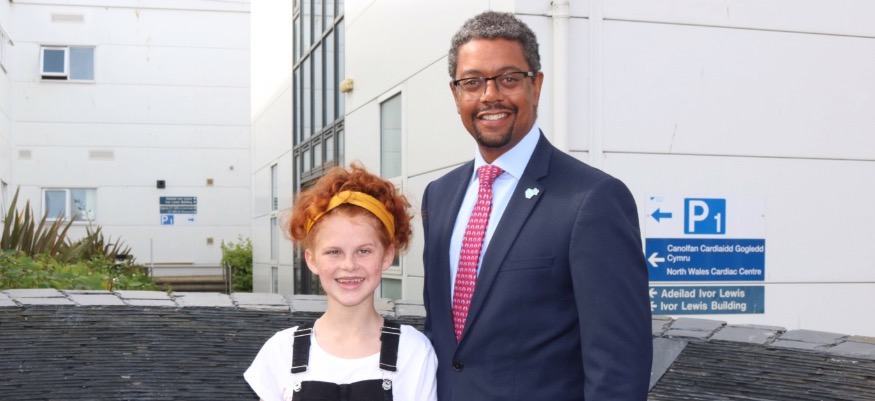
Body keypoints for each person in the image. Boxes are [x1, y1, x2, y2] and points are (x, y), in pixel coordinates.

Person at [421, 11, 652, 400]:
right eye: (472, 82)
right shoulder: (439, 196)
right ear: (456, 94)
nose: (490, 95)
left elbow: (619, 366)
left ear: (537, 85)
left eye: (509, 78)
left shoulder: (592, 199)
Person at [246, 164, 438, 401]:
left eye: (364, 251)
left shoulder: (414, 352)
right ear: (311, 260)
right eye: (334, 252)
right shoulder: (281, 351)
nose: (349, 265)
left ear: (387, 256)